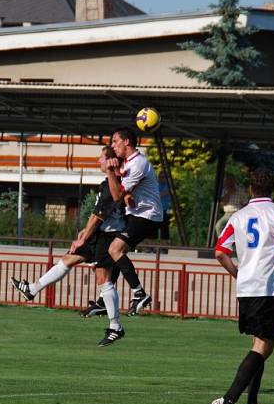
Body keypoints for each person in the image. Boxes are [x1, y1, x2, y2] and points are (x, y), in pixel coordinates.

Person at [210, 167, 274, 404]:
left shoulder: (239, 215)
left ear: (250, 189)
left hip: (246, 287)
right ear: (273, 187)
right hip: (267, 287)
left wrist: (236, 272)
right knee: (263, 347)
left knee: (259, 345)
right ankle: (227, 402)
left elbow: (220, 252)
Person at [10, 146, 127, 346]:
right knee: (68, 259)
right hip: (98, 234)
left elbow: (101, 215)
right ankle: (32, 289)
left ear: (110, 161)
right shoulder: (105, 184)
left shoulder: (111, 185)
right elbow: (96, 212)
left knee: (103, 279)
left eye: (101, 158)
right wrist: (85, 231)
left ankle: (116, 326)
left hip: (110, 237)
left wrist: (83, 238)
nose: (98, 161)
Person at [106, 127, 163, 317]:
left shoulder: (138, 163)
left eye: (115, 141)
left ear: (126, 142)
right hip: (136, 214)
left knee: (115, 249)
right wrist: (127, 194)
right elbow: (125, 192)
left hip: (147, 216)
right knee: (114, 253)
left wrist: (109, 172)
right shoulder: (128, 163)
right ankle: (103, 299)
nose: (112, 146)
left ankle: (139, 293)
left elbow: (116, 195)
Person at [157, 173, 171, 247]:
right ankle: (151, 246)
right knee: (153, 228)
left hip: (165, 210)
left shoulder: (168, 186)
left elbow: (160, 195)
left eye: (163, 177)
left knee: (164, 229)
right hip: (156, 210)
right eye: (160, 177)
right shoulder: (156, 185)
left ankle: (164, 247)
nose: (161, 179)